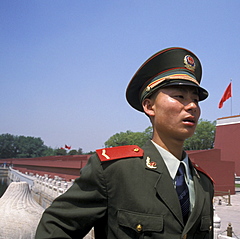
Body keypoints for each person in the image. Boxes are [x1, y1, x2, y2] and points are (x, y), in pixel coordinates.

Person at [36, 47, 214, 238]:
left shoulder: (203, 183)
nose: (192, 106)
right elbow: (54, 228)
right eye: (180, 97)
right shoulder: (114, 171)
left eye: (196, 100)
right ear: (149, 106)